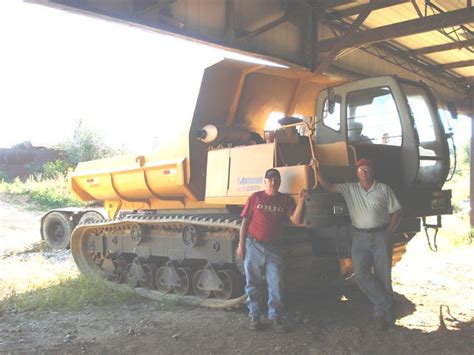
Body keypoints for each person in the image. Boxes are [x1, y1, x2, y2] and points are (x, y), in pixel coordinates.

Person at [315, 158, 401, 330]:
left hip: (380, 236)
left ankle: (382, 316)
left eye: (367, 169)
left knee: (383, 276)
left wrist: (388, 233)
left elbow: (397, 212)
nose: (364, 172)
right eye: (361, 169)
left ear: (372, 171)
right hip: (359, 237)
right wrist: (317, 170)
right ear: (357, 172)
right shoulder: (350, 188)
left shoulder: (384, 189)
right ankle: (386, 303)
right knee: (360, 275)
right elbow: (328, 186)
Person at [237, 168, 307, 333]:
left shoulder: (284, 200)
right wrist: (241, 245)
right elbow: (244, 223)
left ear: (279, 182)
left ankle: (275, 317)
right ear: (265, 181)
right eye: (269, 180)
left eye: (276, 180)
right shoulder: (255, 197)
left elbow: (295, 219)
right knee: (252, 282)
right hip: (253, 245)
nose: (273, 182)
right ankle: (254, 317)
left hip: (274, 247)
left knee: (275, 283)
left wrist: (302, 201)